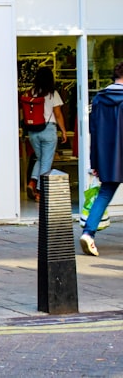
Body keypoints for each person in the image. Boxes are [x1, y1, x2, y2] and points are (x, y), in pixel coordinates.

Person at [79, 61, 123, 257]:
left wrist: (95, 161)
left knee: (104, 194)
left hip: (107, 157)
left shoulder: (98, 99)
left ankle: (88, 234)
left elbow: (93, 131)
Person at [22, 67, 67, 202]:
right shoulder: (53, 94)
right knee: (46, 162)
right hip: (48, 130)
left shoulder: (30, 92)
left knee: (41, 158)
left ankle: (32, 182)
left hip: (33, 131)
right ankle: (40, 192)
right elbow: (58, 114)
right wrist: (63, 130)